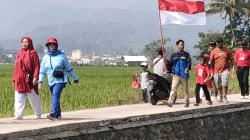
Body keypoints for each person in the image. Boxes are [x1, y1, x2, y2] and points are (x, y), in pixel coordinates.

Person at [38, 37, 79, 120]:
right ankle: (58, 114)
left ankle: (53, 114)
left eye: (53, 45)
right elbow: (42, 71)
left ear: (56, 46)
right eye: (50, 45)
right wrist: (40, 81)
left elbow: (69, 68)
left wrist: (75, 79)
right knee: (55, 96)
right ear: (48, 46)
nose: (52, 47)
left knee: (55, 95)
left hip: (60, 80)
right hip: (51, 80)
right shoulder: (45, 58)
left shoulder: (62, 56)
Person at [13, 37, 42, 119]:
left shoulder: (33, 53)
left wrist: (36, 77)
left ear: (30, 43)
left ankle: (38, 113)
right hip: (20, 80)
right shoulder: (19, 53)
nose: (24, 44)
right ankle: (18, 115)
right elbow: (16, 67)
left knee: (33, 97)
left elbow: (37, 66)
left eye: (26, 42)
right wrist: (14, 79)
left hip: (29, 80)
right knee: (19, 98)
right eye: (23, 42)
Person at [165, 39, 191, 107]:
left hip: (184, 75)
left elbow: (189, 63)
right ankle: (170, 102)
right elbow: (170, 64)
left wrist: (187, 68)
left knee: (185, 89)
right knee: (173, 88)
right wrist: (166, 63)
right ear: (177, 45)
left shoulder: (186, 55)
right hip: (176, 75)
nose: (183, 46)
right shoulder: (174, 55)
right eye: (181, 45)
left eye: (183, 45)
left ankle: (187, 101)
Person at [209, 38, 233, 103]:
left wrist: (232, 68)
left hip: (225, 70)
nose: (218, 44)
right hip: (216, 71)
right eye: (217, 42)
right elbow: (210, 61)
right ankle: (221, 96)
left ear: (222, 42)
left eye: (219, 42)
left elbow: (231, 60)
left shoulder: (227, 50)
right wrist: (210, 71)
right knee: (218, 85)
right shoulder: (213, 51)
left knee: (225, 83)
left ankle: (225, 96)